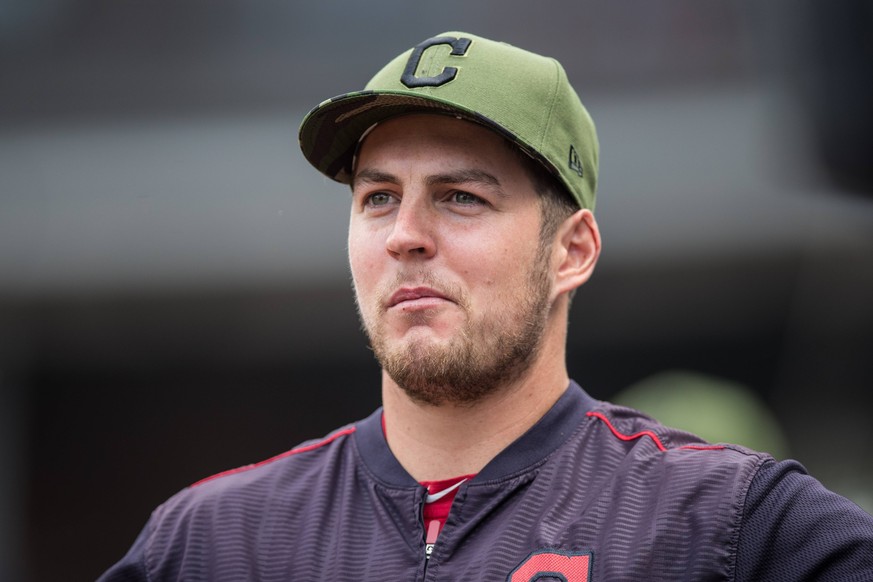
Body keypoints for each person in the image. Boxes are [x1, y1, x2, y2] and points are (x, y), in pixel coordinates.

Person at [100, 31, 873, 581]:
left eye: (460, 197)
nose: (405, 235)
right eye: (377, 198)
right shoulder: (213, 541)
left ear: (571, 250)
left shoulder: (721, 520)